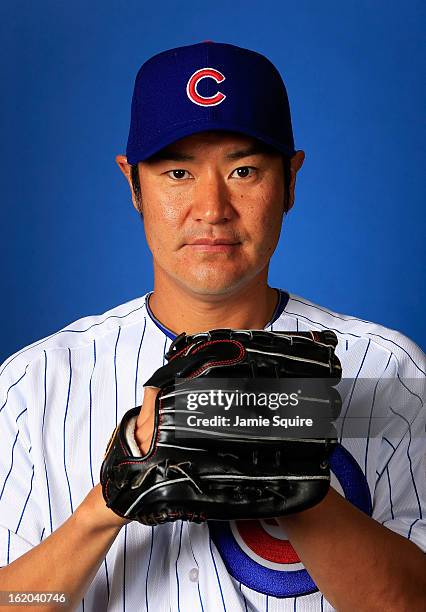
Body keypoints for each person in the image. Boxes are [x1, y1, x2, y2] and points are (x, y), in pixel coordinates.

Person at [0, 41, 424, 612]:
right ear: (133, 184)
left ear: (291, 180)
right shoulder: (34, 384)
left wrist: (291, 478)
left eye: (244, 169)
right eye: (177, 171)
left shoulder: (391, 370)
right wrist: (103, 509)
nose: (212, 206)